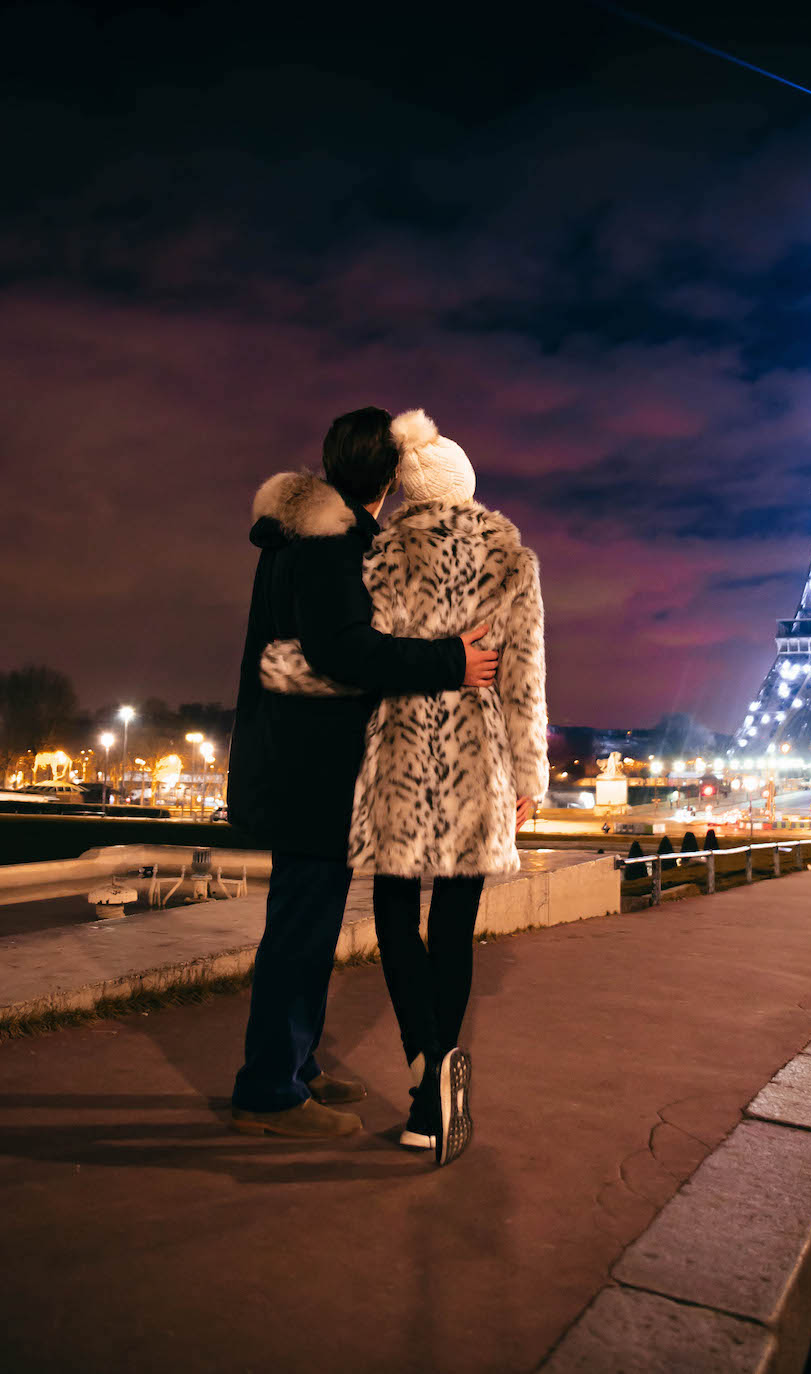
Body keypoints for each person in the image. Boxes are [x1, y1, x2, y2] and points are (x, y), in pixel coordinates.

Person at [226, 406, 498, 1141]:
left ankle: (294, 1063)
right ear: (388, 477)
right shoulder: (333, 542)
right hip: (314, 766)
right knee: (300, 929)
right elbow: (345, 651)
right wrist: (453, 662)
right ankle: (269, 1090)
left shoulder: (301, 532)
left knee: (305, 925)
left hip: (295, 756)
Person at [347, 409, 549, 1166]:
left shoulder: (383, 553)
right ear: (466, 487)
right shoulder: (512, 559)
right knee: (454, 929)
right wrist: (529, 775)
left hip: (399, 752)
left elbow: (364, 659)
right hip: (477, 757)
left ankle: (425, 1077)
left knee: (395, 917)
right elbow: (523, 681)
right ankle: (437, 1089)